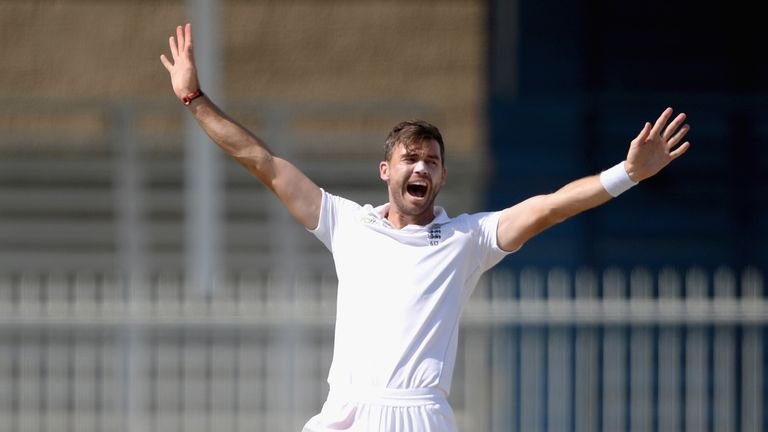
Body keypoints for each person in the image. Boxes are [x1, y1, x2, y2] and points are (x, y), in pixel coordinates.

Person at [161, 23, 690, 432]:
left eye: (432, 161)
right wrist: (193, 98)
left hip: (420, 416)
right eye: (410, 158)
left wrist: (627, 174)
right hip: (348, 410)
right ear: (386, 171)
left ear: (441, 175)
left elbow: (550, 207)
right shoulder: (347, 223)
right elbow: (264, 162)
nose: (421, 167)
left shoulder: (469, 239)